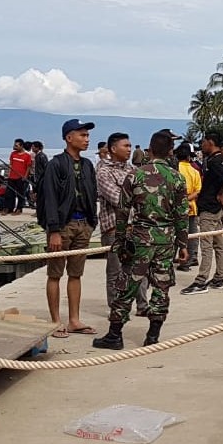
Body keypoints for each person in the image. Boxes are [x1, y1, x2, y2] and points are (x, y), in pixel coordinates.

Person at [92, 131, 189, 349]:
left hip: (140, 239)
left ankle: (115, 335)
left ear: (150, 150)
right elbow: (182, 215)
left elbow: (123, 212)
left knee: (127, 285)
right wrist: (183, 245)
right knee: (161, 287)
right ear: (170, 151)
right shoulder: (177, 178)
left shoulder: (135, 175)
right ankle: (153, 336)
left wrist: (119, 241)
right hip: (166, 241)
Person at [38, 119, 99, 337]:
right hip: (62, 226)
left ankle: (74, 319)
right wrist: (53, 229)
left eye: (87, 136)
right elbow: (49, 198)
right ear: (68, 137)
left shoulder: (87, 165)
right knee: (55, 273)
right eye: (82, 135)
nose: (86, 139)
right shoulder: (55, 164)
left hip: (84, 223)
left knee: (76, 274)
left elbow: (92, 191)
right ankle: (55, 320)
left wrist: (93, 222)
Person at [97, 132, 149, 316]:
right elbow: (118, 199)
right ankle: (117, 308)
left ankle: (143, 306)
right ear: (113, 149)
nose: (129, 149)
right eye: (125, 146)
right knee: (116, 271)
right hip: (114, 229)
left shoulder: (132, 170)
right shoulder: (104, 171)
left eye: (129, 146)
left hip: (136, 227)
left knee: (139, 268)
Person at [181, 134, 223, 295]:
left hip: (209, 208)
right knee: (218, 243)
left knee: (207, 244)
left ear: (210, 143)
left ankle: (201, 281)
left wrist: (221, 193)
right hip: (214, 208)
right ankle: (219, 277)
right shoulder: (219, 159)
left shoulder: (215, 161)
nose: (201, 145)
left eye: (203, 142)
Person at [175, 145, 202, 271]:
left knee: (175, 236)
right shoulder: (195, 171)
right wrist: (187, 199)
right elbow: (198, 191)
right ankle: (188, 261)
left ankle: (168, 262)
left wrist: (181, 201)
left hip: (175, 208)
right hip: (191, 207)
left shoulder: (173, 170)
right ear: (188, 157)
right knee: (191, 236)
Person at [2, 138, 33, 215]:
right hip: (12, 177)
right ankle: (8, 208)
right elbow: (11, 164)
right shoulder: (13, 154)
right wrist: (8, 174)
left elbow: (28, 167)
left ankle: (19, 208)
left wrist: (25, 176)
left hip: (21, 177)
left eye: (16, 145)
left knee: (20, 194)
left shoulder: (27, 156)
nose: (14, 147)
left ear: (21, 146)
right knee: (9, 193)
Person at [30, 141, 48, 209]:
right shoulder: (38, 155)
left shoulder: (41, 156)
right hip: (37, 178)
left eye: (33, 147)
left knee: (40, 194)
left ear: (37, 148)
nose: (32, 148)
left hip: (41, 179)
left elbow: (45, 167)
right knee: (37, 194)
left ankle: (41, 209)